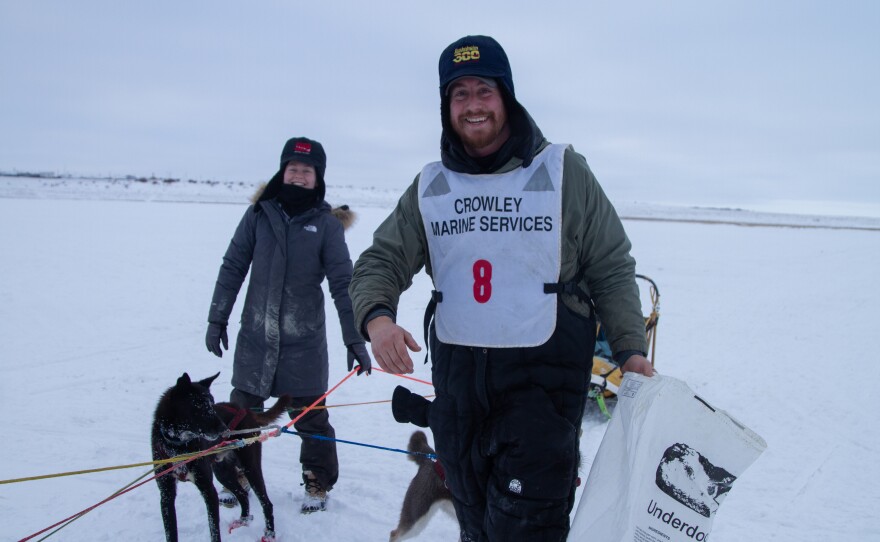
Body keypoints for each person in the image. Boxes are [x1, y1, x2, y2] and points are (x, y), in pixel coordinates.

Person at [349, 36, 654, 541]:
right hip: (460, 397)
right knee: (477, 530)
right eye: (459, 93)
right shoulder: (432, 186)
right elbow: (381, 260)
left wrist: (630, 350)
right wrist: (377, 319)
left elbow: (611, 266)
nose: (473, 105)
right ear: (447, 106)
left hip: (543, 394)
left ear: (506, 96)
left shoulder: (561, 171)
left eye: (484, 90)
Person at [205, 136, 372, 514]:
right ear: (283, 171)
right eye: (292, 169)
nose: (298, 176)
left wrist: (354, 339)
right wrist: (218, 317)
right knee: (239, 414)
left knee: (312, 418)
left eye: (306, 171)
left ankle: (317, 482)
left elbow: (343, 285)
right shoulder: (259, 215)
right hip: (256, 340)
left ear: (318, 178)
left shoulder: (327, 226)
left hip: (304, 344)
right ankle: (236, 476)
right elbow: (233, 266)